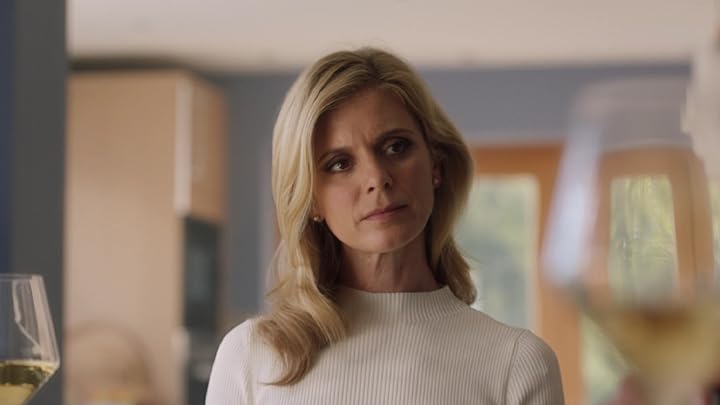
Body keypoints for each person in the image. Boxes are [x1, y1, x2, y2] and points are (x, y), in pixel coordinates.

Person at [205, 47, 565, 405]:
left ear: (436, 164)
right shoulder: (248, 357)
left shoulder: (517, 364)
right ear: (311, 198)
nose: (377, 178)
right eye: (339, 164)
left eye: (395, 147)